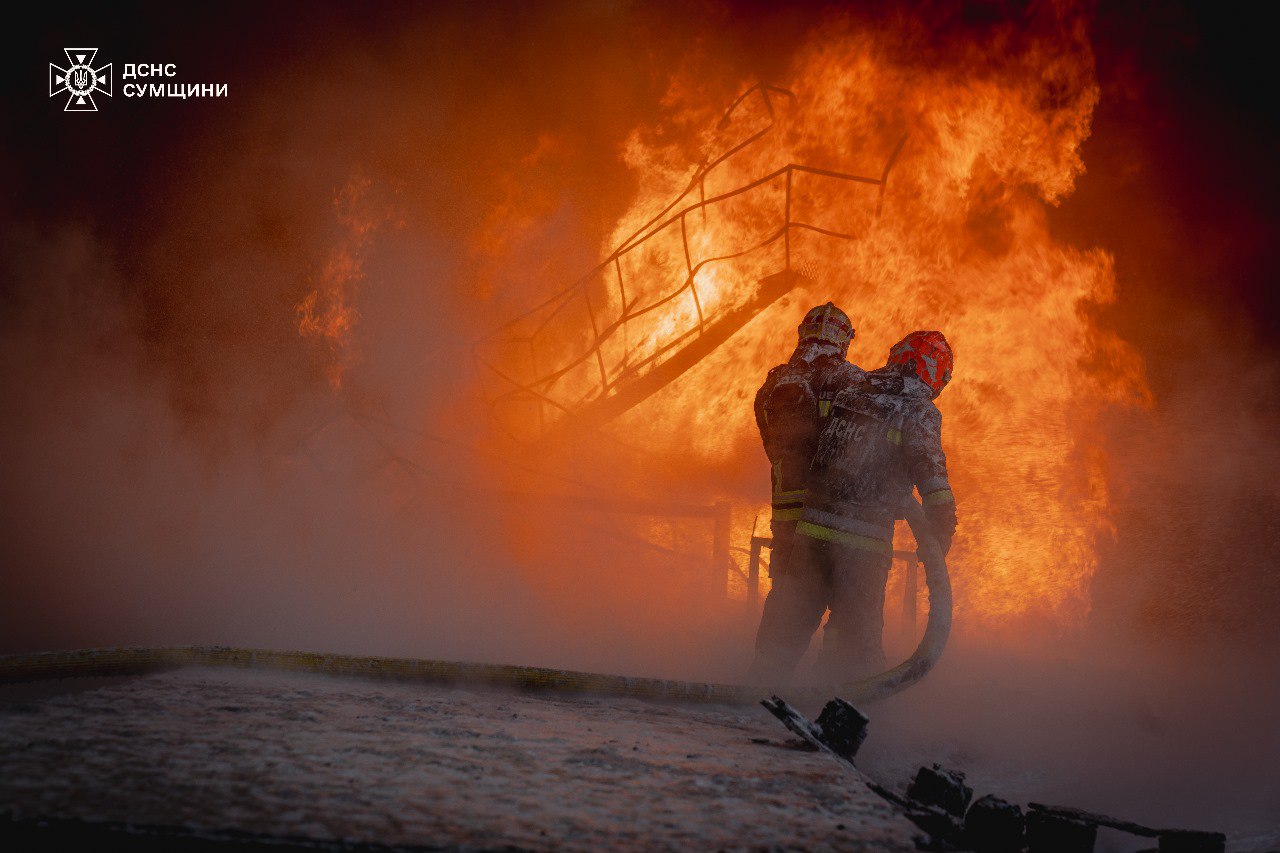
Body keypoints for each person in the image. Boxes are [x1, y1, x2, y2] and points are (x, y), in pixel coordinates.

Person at [751, 330, 957, 684]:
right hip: (863, 545)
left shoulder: (852, 391)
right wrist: (940, 528)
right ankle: (835, 701)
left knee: (791, 614)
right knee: (853, 636)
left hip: (811, 532)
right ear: (936, 374)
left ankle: (755, 691)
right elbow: (931, 471)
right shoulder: (918, 409)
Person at [748, 302, 863, 682]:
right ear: (843, 340)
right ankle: (828, 688)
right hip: (834, 520)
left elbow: (772, 448)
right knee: (847, 608)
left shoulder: (772, 384)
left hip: (786, 520)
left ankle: (762, 682)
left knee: (788, 599)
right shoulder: (852, 381)